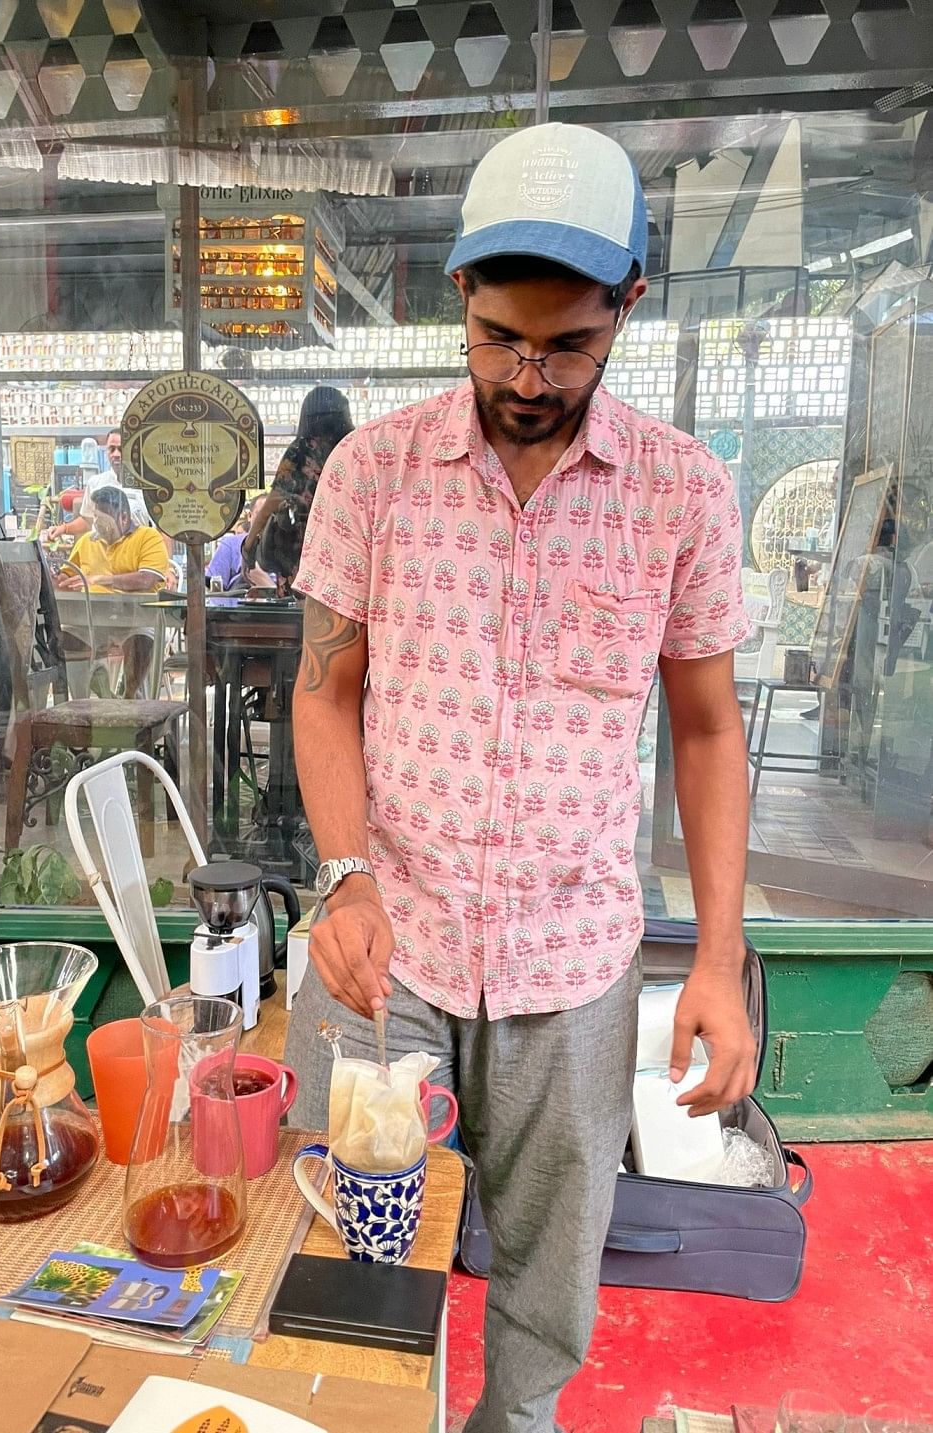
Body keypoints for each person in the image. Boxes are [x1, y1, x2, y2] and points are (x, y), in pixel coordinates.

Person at [284, 124, 758, 1433]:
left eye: (566, 344)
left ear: (627, 308)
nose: (528, 375)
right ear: (457, 297)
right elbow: (322, 692)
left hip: (574, 959)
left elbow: (707, 730)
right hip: (390, 946)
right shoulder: (369, 473)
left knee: (549, 1279)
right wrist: (341, 877)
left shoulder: (681, 494)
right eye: (498, 337)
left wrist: (714, 958)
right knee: (346, 1248)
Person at [55, 484, 169, 698]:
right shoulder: (86, 542)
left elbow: (147, 579)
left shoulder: (148, 537)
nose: (98, 525)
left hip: (137, 617)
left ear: (123, 518)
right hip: (93, 617)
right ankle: (82, 699)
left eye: (104, 520)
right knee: (67, 637)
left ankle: (129, 696)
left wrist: (105, 580)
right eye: (96, 518)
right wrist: (56, 578)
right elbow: (67, 575)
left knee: (141, 640)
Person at [240, 386, 354, 588]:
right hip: (347, 549)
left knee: (303, 615)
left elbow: (274, 500)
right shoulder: (354, 446)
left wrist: (248, 546)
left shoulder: (302, 449)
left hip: (306, 552)